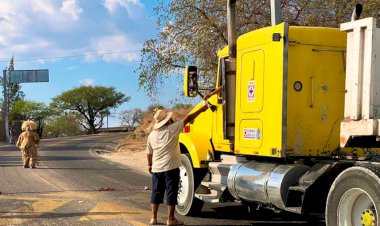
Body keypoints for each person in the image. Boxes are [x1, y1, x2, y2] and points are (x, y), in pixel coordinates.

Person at [147, 94, 219, 225]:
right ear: (167, 120)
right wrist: (202, 109)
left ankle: (154, 218)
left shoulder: (152, 135)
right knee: (171, 192)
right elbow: (189, 118)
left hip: (157, 168)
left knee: (156, 193)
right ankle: (171, 219)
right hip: (171, 168)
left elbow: (149, 153)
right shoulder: (172, 129)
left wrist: (149, 164)